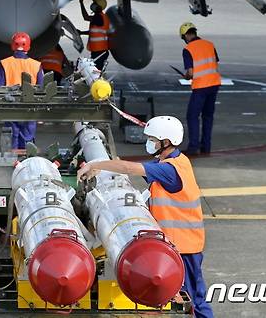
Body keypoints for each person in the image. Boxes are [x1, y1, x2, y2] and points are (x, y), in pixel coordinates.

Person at [77, 116, 213, 318]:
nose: (149, 143)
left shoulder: (170, 169)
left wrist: (96, 165)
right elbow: (137, 168)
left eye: (152, 139)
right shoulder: (171, 162)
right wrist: (104, 166)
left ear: (165, 142)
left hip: (185, 247)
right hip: (174, 244)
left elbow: (130, 168)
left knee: (194, 299)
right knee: (173, 294)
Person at [0, 32, 44, 149]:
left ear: (12, 46)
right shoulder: (36, 65)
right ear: (28, 46)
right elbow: (41, 89)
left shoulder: (4, 63)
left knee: (12, 139)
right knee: (27, 142)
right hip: (30, 108)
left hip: (10, 108)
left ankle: (14, 163)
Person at [180, 22, 221, 155]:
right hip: (214, 84)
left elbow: (191, 73)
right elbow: (214, 62)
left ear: (186, 35)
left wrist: (186, 77)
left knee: (192, 116)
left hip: (201, 86)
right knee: (208, 116)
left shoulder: (188, 49)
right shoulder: (210, 44)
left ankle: (193, 147)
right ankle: (206, 147)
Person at [79, 0, 111, 71]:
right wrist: (81, 32)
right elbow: (94, 32)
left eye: (94, 3)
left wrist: (81, 3)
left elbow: (86, 17)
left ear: (99, 7)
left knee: (96, 72)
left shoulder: (99, 17)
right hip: (99, 50)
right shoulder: (100, 17)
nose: (92, 5)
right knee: (96, 71)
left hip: (100, 51)